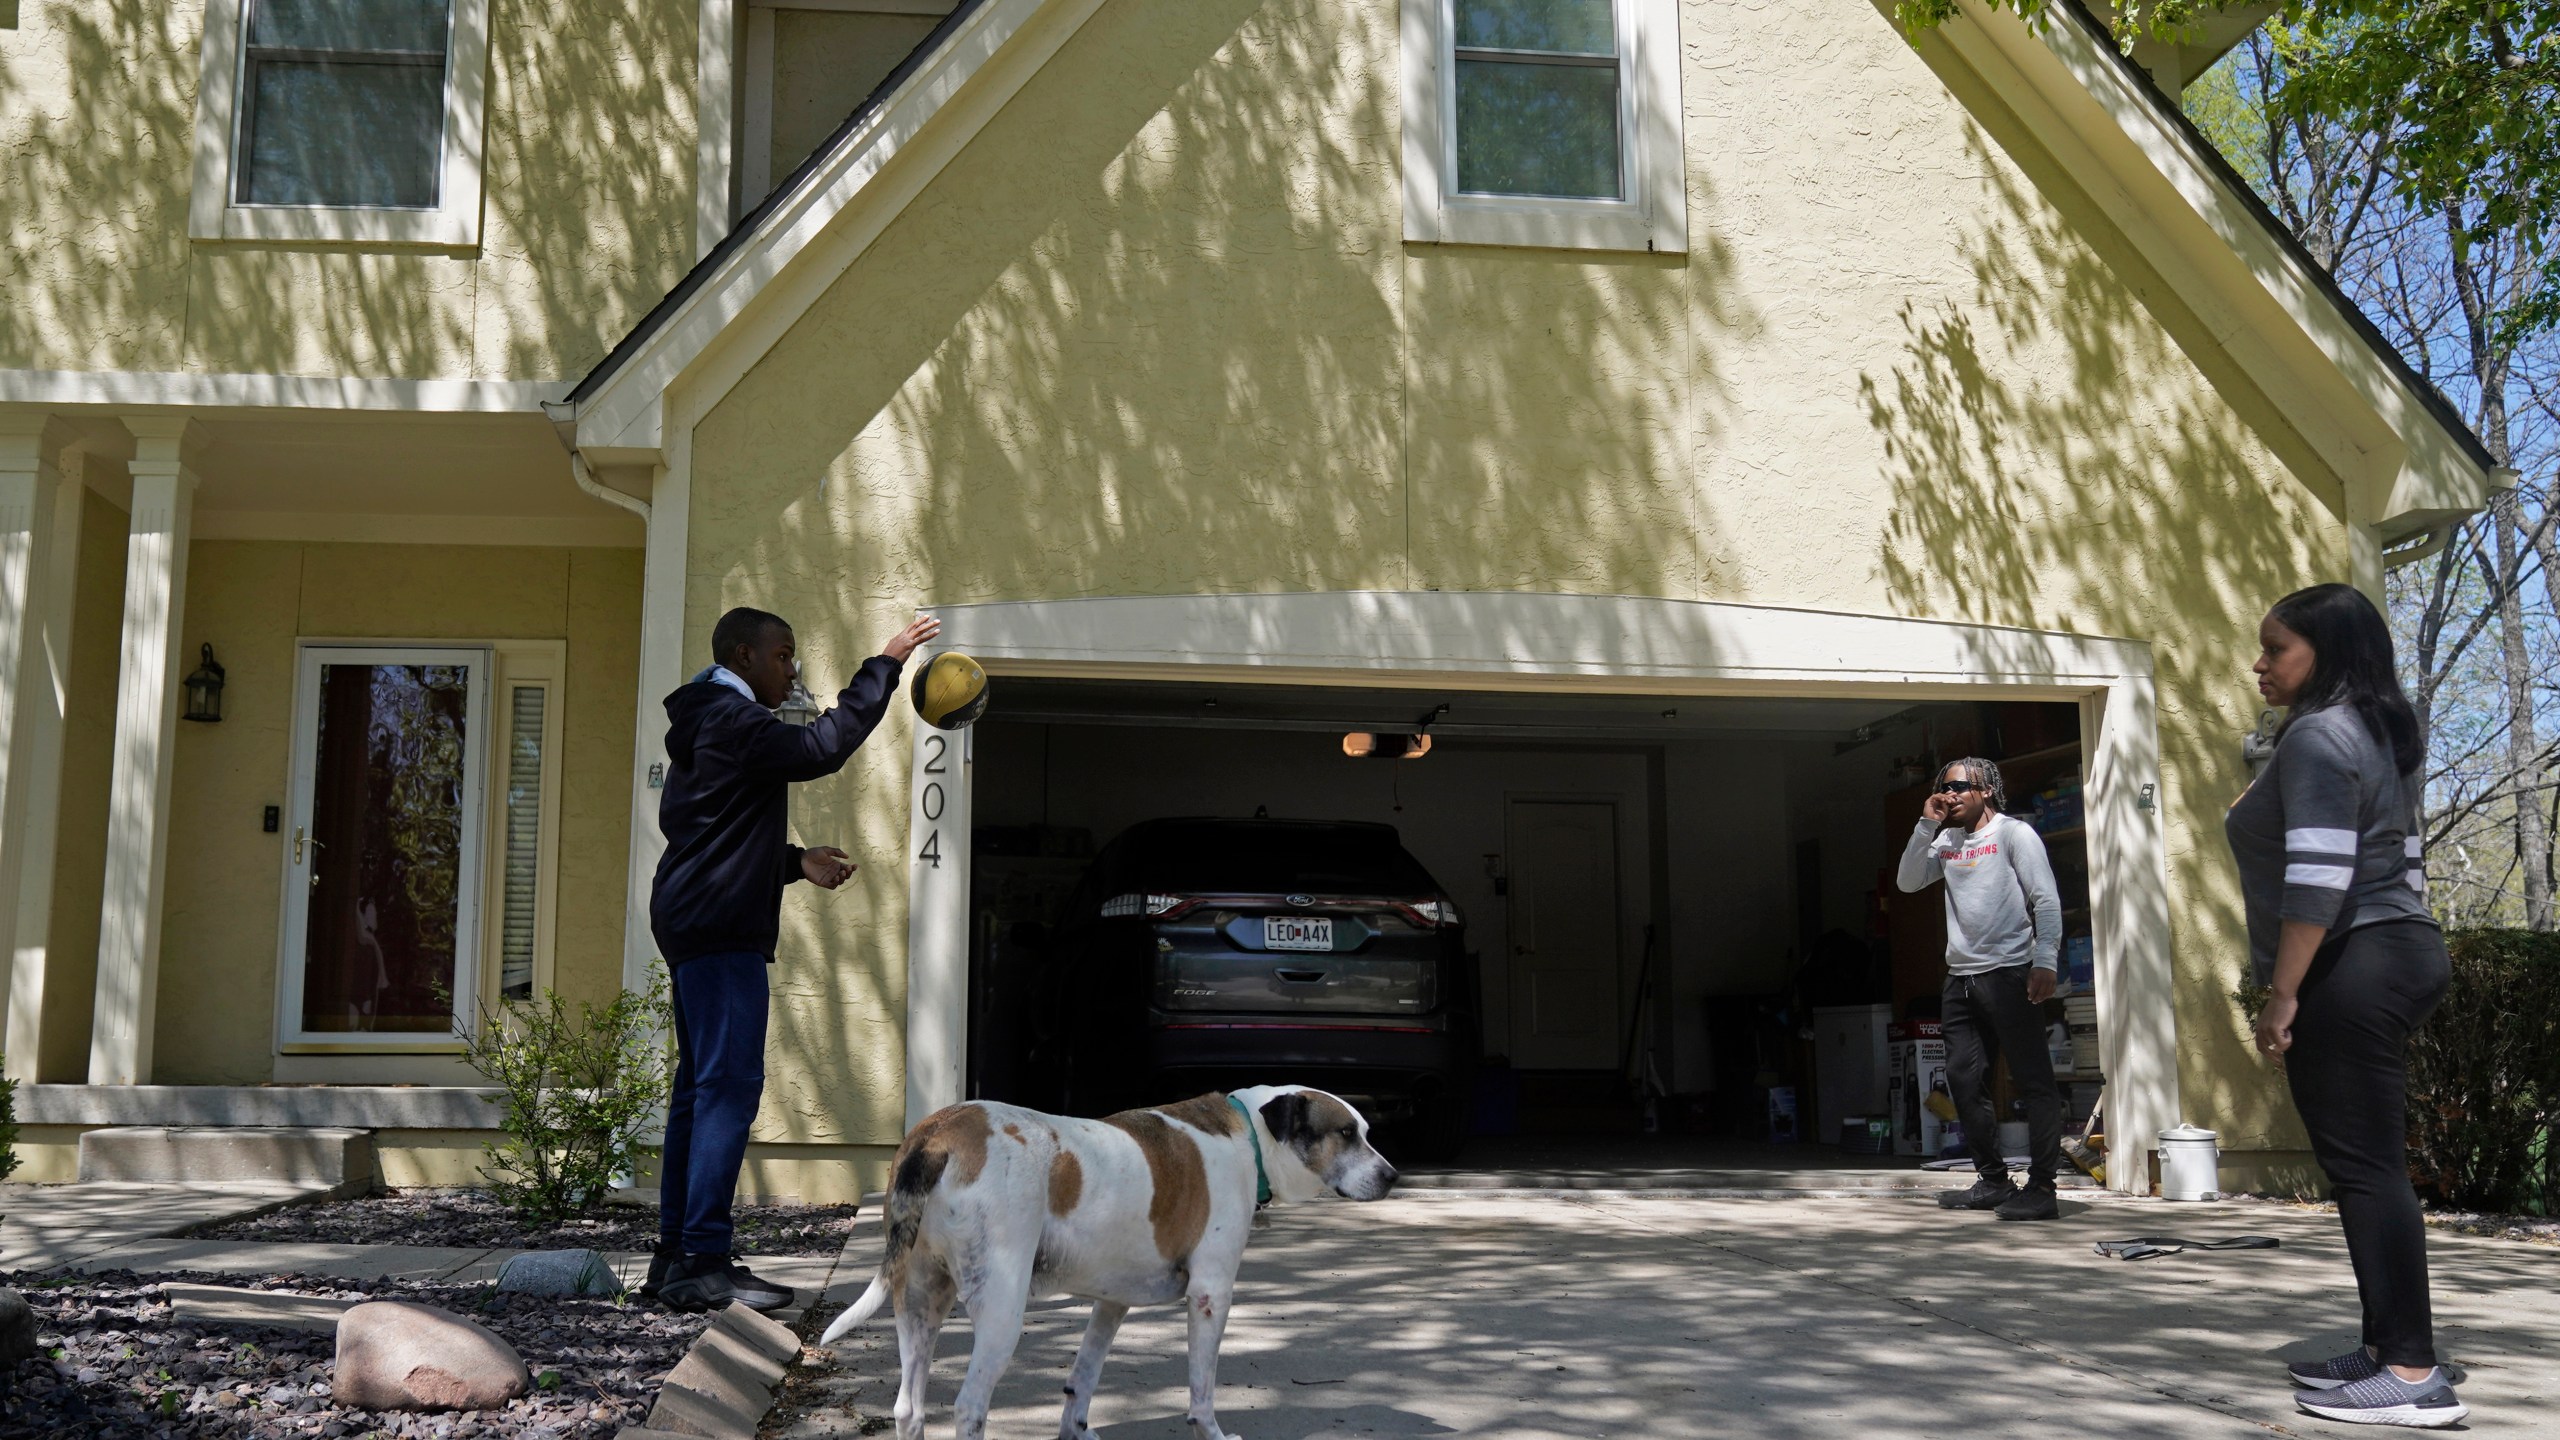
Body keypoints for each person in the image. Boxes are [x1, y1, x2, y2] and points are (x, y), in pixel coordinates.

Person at [643, 604, 941, 1312]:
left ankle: (675, 1258)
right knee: (727, 1089)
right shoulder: (731, 717)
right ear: (744, 656)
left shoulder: (711, 719)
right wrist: (888, 662)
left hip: (694, 913)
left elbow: (716, 829)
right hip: (717, 927)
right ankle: (705, 1260)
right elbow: (819, 750)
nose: (793, 669)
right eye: (784, 656)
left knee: (699, 1091)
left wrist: (793, 861)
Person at [2229, 583, 2462, 1428]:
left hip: (2353, 958)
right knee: (2366, 1167)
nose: (2259, 663)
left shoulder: (2319, 736)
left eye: (2275, 648)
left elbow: (2319, 881)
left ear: (2324, 655)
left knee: (2367, 1172)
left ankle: (2409, 1374)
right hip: (2397, 948)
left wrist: (2282, 995)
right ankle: (2381, 1350)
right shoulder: (2377, 728)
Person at [1896, 756, 2065, 1221]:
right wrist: (1922, 826)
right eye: (1942, 788)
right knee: (1965, 1082)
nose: (1948, 796)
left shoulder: (2014, 835)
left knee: (2034, 1082)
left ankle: (2043, 1189)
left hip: (2011, 972)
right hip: (1961, 979)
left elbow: (2045, 900)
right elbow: (1908, 883)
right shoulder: (1946, 840)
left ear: (1986, 790)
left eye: (1957, 787)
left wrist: (2045, 961)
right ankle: (1992, 1181)